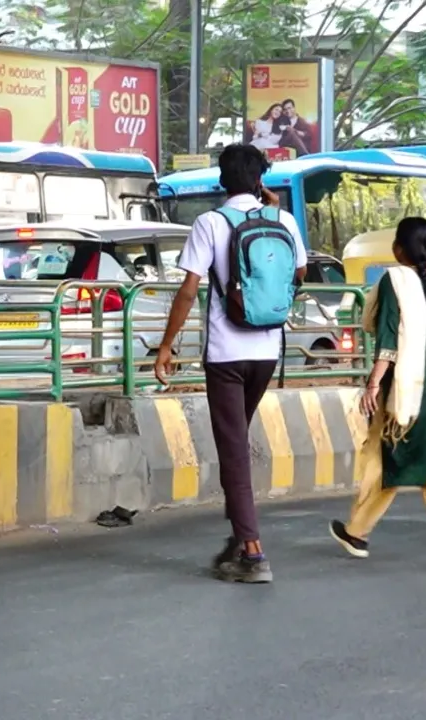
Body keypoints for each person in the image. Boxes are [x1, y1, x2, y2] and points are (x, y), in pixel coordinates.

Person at [154, 143, 306, 584]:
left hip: (226, 353)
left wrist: (166, 346)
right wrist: (273, 211)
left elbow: (188, 290)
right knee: (235, 442)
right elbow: (298, 273)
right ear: (260, 180)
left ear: (222, 181)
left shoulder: (210, 223)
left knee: (234, 451)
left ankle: (253, 553)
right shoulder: (284, 221)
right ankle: (240, 538)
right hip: (267, 350)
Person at [328, 218, 426, 571]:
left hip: (404, 389)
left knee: (384, 456)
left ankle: (358, 532)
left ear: (398, 248)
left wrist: (373, 383)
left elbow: (388, 337)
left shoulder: (393, 280)